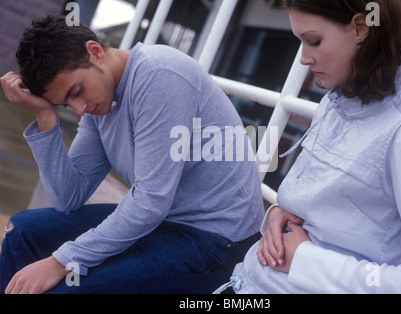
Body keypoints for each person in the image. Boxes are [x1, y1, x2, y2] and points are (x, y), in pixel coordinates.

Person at [0, 15, 265, 294]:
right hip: (165, 224)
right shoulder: (99, 104)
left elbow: (151, 202)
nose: (78, 108)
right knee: (22, 230)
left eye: (76, 91)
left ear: (95, 52)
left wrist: (60, 261)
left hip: (218, 241)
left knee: (68, 288)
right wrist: (44, 115)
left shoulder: (159, 74)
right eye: (66, 103)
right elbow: (68, 197)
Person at [217, 0, 401, 294]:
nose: (303, 58)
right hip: (245, 280)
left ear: (361, 29)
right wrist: (278, 213)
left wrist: (304, 260)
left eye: (313, 41)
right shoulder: (337, 101)